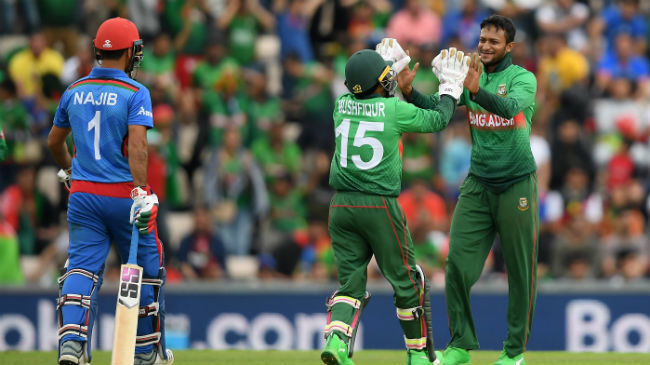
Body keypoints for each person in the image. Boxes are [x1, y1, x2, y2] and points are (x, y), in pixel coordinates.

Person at [396, 15, 539, 365]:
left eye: (494, 41)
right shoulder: (468, 71)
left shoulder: (522, 78)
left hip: (517, 182)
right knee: (457, 264)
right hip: (478, 183)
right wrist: (410, 92)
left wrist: (477, 90)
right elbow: (440, 107)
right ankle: (460, 345)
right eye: (482, 40)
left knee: (520, 271)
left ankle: (514, 352)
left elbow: (507, 109)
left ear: (509, 47)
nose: (486, 46)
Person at [321, 44, 469, 365]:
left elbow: (371, 94)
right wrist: (449, 89)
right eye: (385, 76)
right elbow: (439, 120)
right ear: (379, 83)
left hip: (341, 206)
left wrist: (385, 69)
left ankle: (335, 341)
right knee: (406, 281)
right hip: (378, 205)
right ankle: (417, 354)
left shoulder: (341, 104)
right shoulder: (394, 111)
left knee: (350, 284)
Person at [47, 17, 173, 365]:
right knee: (147, 268)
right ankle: (146, 352)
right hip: (123, 196)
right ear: (131, 51)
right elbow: (138, 147)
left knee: (81, 268)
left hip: (83, 196)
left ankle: (72, 344)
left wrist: (71, 170)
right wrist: (141, 191)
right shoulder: (136, 92)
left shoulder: (73, 89)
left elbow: (55, 141)